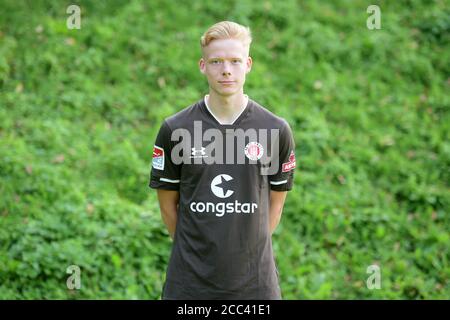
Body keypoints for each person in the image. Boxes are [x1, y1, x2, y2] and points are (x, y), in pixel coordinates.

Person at [149, 21, 296, 300]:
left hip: (254, 285)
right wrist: (198, 255)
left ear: (248, 64)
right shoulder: (176, 129)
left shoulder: (275, 130)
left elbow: (276, 204)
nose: (226, 70)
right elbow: (168, 205)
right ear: (202, 66)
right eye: (216, 61)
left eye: (235, 61)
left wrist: (245, 252)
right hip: (190, 285)